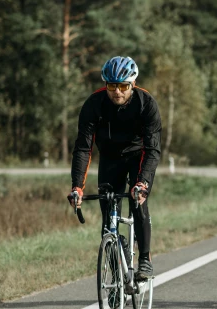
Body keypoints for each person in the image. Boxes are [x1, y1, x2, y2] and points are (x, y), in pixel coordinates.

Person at [68, 56, 162, 281]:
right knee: (108, 218)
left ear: (132, 84)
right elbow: (83, 148)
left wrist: (143, 183)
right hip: (110, 159)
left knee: (138, 202)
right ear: (105, 84)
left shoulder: (146, 103)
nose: (117, 92)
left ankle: (145, 260)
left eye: (123, 86)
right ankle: (115, 279)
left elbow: (153, 149)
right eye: (112, 86)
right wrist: (77, 187)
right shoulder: (94, 104)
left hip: (138, 156)